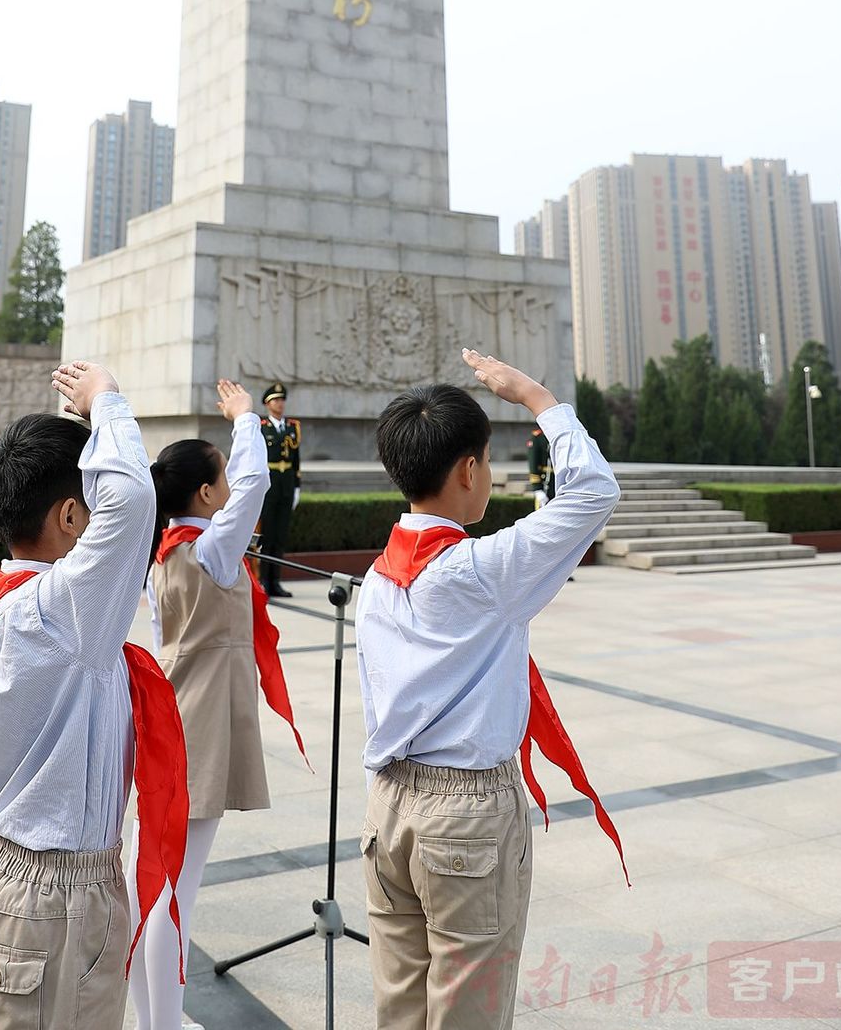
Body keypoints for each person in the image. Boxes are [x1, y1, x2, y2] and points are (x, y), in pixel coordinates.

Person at [355, 350, 622, 1030]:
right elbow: (593, 492)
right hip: (465, 813)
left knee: (401, 1007)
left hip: (389, 804)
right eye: (486, 462)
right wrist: (535, 396)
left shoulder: (377, 582)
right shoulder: (480, 571)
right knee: (467, 1013)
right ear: (468, 470)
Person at [0, 360, 186, 1030]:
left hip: (24, 882)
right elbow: (135, 503)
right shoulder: (59, 616)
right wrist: (106, 400)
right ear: (70, 514)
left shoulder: (16, 608)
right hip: (52, 902)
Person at [132, 378, 307, 1030]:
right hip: (198, 727)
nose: (233, 482)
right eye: (223, 475)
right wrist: (244, 420)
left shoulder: (167, 551)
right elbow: (259, 484)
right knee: (174, 891)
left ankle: (156, 1016)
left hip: (170, 717)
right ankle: (161, 1023)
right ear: (205, 494)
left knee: (151, 881)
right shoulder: (209, 549)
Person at [257, 382, 301, 598]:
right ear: (267, 403)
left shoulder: (293, 427)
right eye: (276, 400)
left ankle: (275, 581)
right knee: (267, 535)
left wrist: (296, 487)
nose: (280, 404)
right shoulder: (261, 427)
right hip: (269, 483)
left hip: (286, 483)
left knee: (280, 536)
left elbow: (296, 460)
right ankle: (263, 581)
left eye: (282, 399)